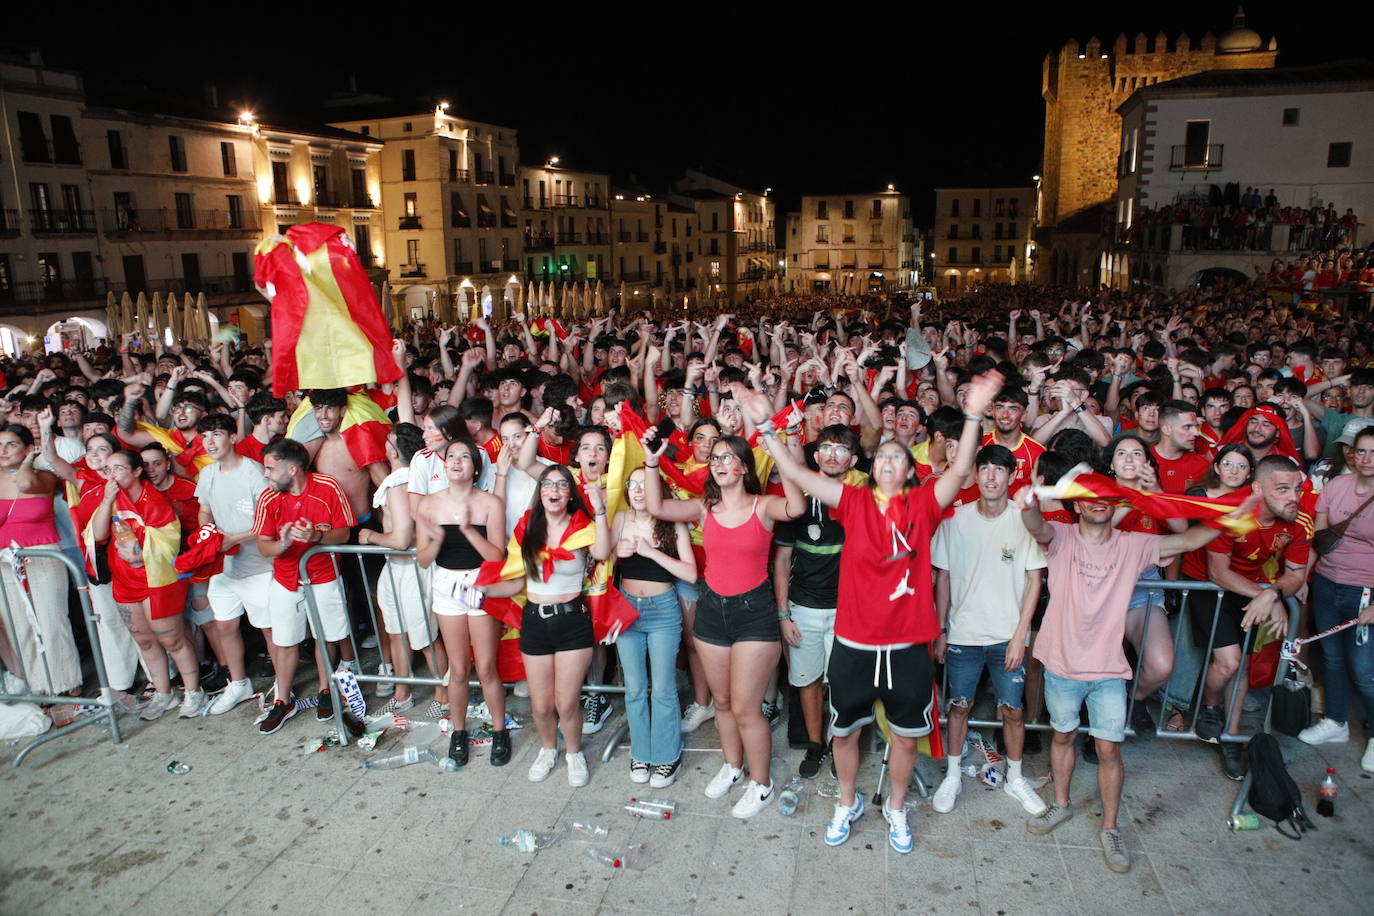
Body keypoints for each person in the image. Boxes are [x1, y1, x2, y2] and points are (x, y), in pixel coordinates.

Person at [755, 371, 1002, 854]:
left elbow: (959, 469)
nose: (889, 459)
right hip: (855, 645)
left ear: (909, 472)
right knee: (843, 732)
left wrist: (974, 413)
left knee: (907, 739)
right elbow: (801, 474)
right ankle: (846, 803)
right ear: (873, 469)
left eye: (898, 457)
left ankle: (895, 806)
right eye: (882, 455)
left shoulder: (925, 505)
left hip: (907, 648)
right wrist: (766, 429)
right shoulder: (853, 501)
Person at [1018, 468, 1247, 873]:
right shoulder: (1062, 536)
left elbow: (1190, 539)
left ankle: (1110, 828)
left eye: (1106, 496)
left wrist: (1230, 513)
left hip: (1108, 667)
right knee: (1063, 735)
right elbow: (1034, 524)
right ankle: (1061, 804)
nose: (1097, 502)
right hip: (1061, 663)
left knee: (1109, 749)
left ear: (1117, 503)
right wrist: (1029, 501)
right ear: (1078, 504)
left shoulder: (1135, 544)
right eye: (1089, 496)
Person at [642, 419, 804, 819]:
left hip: (755, 614)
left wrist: (781, 450)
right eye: (715, 457)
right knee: (725, 702)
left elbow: (798, 506)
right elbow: (656, 506)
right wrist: (650, 463)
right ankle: (733, 766)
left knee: (748, 708)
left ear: (745, 466)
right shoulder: (703, 508)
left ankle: (761, 784)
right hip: (712, 609)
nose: (719, 462)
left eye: (728, 456)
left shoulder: (763, 505)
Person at [931, 444, 1048, 817]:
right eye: (985, 469)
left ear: (1013, 477)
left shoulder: (1022, 518)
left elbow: (1035, 579)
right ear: (975, 475)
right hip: (964, 634)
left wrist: (1020, 635)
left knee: (1012, 710)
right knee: (959, 706)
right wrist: (941, 628)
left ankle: (1015, 777)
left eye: (1000, 470)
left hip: (1007, 637)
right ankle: (952, 775)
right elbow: (943, 578)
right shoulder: (955, 520)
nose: (992, 476)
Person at [487, 463, 610, 787]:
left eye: (561, 485)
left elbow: (602, 550)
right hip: (535, 622)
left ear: (570, 494)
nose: (553, 490)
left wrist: (599, 511)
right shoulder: (527, 527)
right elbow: (514, 584)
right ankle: (547, 749)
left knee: (566, 701)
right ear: (539, 492)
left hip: (573, 621)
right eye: (547, 484)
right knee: (541, 705)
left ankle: (573, 753)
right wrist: (481, 590)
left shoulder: (583, 526)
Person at [1194, 455, 1310, 779]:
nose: (1294, 497)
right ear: (1258, 488)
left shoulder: (1300, 521)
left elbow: (1296, 575)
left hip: (1253, 591)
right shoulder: (1234, 512)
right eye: (1283, 489)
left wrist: (1271, 594)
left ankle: (1230, 737)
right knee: (1229, 662)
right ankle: (1210, 708)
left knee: (1242, 664)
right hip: (1206, 583)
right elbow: (1217, 572)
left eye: (1297, 489)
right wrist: (1266, 596)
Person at [771, 424, 861, 779]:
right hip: (803, 608)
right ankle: (815, 746)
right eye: (826, 448)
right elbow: (780, 562)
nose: (832, 455)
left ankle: (843, 747)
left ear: (852, 460)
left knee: (844, 684)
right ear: (816, 455)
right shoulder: (798, 500)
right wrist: (783, 614)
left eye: (841, 450)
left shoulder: (861, 499)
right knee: (807, 681)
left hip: (847, 612)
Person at [414, 438, 509, 767]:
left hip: (480, 582)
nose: (456, 462)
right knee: (457, 669)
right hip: (446, 585)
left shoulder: (490, 504)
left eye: (464, 457)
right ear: (444, 465)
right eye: (451, 456)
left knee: (486, 667)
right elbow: (423, 560)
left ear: (475, 466)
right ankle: (458, 732)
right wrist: (438, 539)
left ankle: (499, 731)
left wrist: (469, 531)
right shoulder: (427, 505)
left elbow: (497, 556)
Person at [88, 449, 202, 720]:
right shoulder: (112, 498)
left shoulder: (155, 500)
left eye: (117, 469)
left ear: (136, 471)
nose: (111, 475)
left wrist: (142, 555)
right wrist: (106, 502)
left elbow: (168, 543)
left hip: (157, 580)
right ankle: (164, 693)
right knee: (145, 641)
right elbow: (99, 534)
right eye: (108, 470)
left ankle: (194, 691)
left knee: (172, 639)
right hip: (125, 581)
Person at [251, 439, 354, 734]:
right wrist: (282, 543)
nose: (266, 474)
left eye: (270, 468)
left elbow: (344, 533)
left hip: (325, 576)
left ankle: (325, 690)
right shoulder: (268, 498)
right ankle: (283, 701)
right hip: (285, 579)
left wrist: (316, 537)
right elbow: (263, 547)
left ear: (292, 469)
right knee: (284, 641)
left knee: (326, 638)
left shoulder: (328, 487)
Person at [606, 466, 696, 787]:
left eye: (646, 485)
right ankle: (641, 752)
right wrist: (617, 553)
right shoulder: (619, 520)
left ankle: (667, 755)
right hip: (627, 610)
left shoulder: (673, 523)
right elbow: (600, 559)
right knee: (633, 688)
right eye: (633, 485)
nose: (638, 490)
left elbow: (691, 574)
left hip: (663, 612)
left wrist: (652, 553)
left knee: (662, 688)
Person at [1299, 424, 1374, 775]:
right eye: (1361, 451)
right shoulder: (1336, 486)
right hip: (1328, 582)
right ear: (1351, 454)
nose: (1367, 459)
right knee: (1331, 658)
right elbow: (1320, 537)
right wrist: (1303, 578)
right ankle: (1336, 721)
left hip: (1366, 591)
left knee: (1363, 669)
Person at [362, 422, 442, 715]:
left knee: (424, 637)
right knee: (396, 632)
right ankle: (401, 692)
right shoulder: (406, 478)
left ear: (394, 450)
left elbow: (401, 538)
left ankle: (443, 696)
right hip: (395, 568)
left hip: (410, 567)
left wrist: (370, 536)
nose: (384, 446)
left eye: (388, 442)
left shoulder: (400, 484)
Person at [194, 414, 271, 716]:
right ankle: (238, 683)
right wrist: (208, 533)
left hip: (259, 565)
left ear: (232, 437)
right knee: (225, 626)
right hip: (224, 566)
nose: (209, 442)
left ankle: (283, 689)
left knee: (268, 630)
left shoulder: (253, 472)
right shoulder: (208, 473)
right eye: (204, 437)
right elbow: (204, 511)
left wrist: (233, 538)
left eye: (215, 434)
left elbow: (269, 521)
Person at [0, 424, 82, 697]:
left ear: (27, 449)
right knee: (18, 624)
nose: (3, 451)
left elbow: (25, 483)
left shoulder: (45, 476)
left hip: (44, 553)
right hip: (5, 561)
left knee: (51, 619)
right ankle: (40, 687)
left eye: (10, 444)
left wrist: (29, 461)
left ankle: (67, 683)